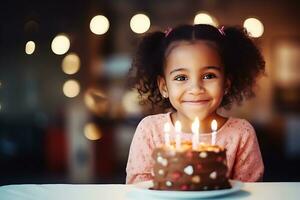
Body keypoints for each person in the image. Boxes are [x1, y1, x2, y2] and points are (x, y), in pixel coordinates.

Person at [126, 24, 265, 184]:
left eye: (209, 76)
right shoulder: (150, 130)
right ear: (164, 86)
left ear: (226, 83)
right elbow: (137, 189)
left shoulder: (241, 133)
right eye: (181, 78)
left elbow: (251, 191)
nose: (196, 89)